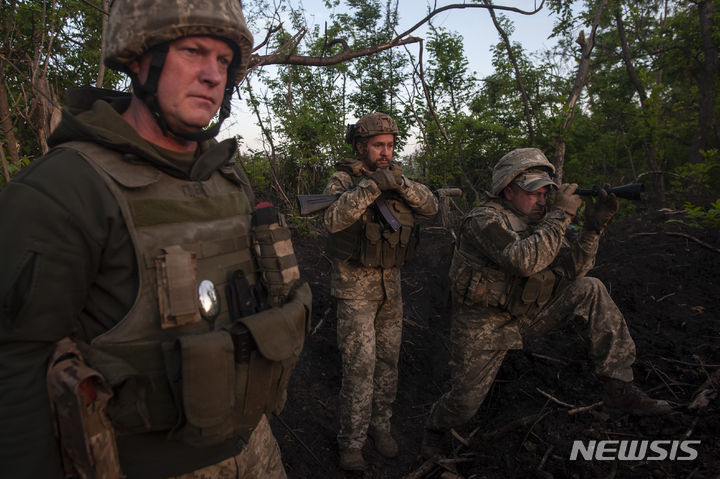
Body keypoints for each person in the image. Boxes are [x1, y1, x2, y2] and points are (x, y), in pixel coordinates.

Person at [0, 1, 312, 478]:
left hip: (253, 443)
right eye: (193, 51)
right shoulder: (63, 188)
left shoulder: (227, 178)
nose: (213, 75)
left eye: (224, 62)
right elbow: (17, 367)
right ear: (138, 59)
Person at [421, 148, 673, 457]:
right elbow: (523, 261)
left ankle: (619, 383)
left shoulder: (541, 221)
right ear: (508, 190)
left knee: (589, 288)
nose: (542, 200)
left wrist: (593, 228)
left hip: (528, 313)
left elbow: (573, 269)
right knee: (463, 405)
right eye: (534, 193)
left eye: (546, 193)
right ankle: (434, 429)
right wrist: (561, 215)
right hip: (484, 324)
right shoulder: (483, 220)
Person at [322, 112, 439, 470]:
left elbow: (431, 207)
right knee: (360, 367)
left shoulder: (399, 177)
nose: (385, 152)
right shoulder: (343, 180)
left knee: (388, 362)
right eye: (378, 146)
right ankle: (352, 442)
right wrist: (372, 186)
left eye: (389, 145)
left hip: (391, 287)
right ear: (361, 147)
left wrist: (399, 185)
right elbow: (332, 219)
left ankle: (380, 426)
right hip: (355, 289)